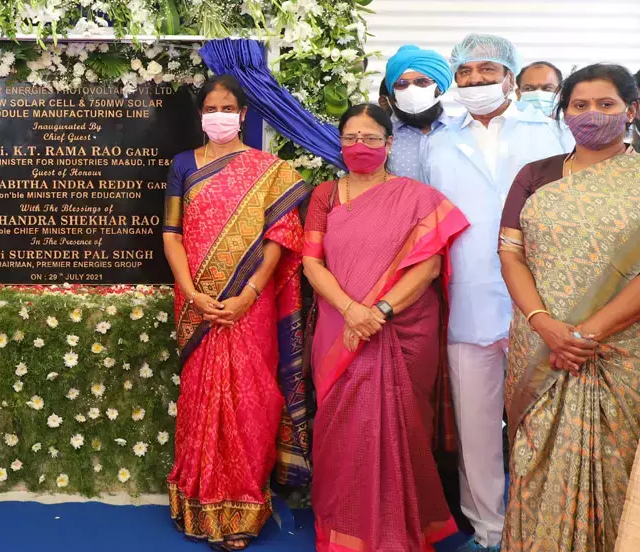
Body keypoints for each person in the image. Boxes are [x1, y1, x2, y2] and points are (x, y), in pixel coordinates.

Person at [420, 33, 564, 552]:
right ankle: (489, 530)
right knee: (477, 427)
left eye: (487, 71)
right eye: (465, 73)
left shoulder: (549, 132)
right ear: (454, 79)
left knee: (540, 421)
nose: (476, 81)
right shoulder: (439, 141)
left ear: (509, 75)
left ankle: (541, 522)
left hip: (541, 302)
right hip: (468, 303)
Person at [304, 103, 470, 551]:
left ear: (389, 143)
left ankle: (402, 526)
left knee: (404, 426)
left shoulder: (418, 197)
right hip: (342, 326)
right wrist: (352, 310)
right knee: (340, 427)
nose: (360, 147)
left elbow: (430, 266)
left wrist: (379, 310)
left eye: (372, 138)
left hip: (401, 326)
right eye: (351, 138)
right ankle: (344, 524)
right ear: (340, 144)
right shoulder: (324, 195)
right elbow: (311, 264)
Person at [163, 75, 311, 550]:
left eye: (228, 107)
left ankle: (245, 503)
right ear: (201, 115)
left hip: (250, 305)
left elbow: (280, 239)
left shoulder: (270, 170)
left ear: (244, 115)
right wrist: (190, 293)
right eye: (211, 107)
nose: (219, 115)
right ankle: (197, 501)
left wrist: (248, 293)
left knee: (252, 400)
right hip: (198, 303)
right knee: (199, 401)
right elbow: (171, 233)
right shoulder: (183, 165)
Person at [500, 64, 640, 551]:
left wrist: (587, 333)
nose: (592, 114)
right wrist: (546, 326)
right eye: (580, 105)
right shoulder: (535, 175)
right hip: (540, 347)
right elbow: (510, 254)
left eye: (606, 104)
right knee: (534, 459)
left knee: (615, 462)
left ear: (632, 111)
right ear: (564, 113)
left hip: (619, 353)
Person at [383, 45, 452, 181]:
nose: (412, 90)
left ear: (439, 89)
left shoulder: (461, 131)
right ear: (393, 92)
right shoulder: (382, 136)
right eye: (402, 84)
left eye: (422, 82)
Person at [516, 61, 575, 151]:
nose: (538, 94)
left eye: (547, 88)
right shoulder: (506, 130)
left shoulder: (574, 132)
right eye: (529, 89)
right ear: (518, 94)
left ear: (560, 93)